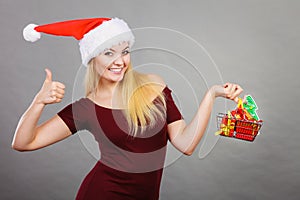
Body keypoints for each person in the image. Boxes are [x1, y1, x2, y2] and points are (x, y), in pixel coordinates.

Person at [12, 17, 243, 200]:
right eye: (108, 53)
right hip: (102, 193)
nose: (120, 61)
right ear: (93, 58)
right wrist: (38, 102)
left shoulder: (154, 86)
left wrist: (211, 95)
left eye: (124, 51)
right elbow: (23, 143)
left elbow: (187, 144)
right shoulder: (86, 109)